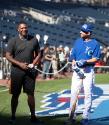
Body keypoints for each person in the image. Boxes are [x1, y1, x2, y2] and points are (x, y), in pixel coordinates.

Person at [6, 21, 42, 124]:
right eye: (21, 28)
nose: (24, 29)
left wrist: (34, 63)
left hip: (30, 71)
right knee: (15, 95)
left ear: (28, 28)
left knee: (30, 94)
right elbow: (8, 56)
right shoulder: (13, 41)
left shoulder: (34, 39)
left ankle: (33, 117)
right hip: (17, 71)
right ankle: (13, 117)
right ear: (18, 29)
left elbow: (39, 54)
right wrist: (20, 64)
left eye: (25, 27)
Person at [68, 24, 101, 125]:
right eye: (81, 30)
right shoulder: (77, 41)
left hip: (88, 70)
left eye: (83, 31)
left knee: (88, 95)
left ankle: (85, 117)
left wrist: (86, 61)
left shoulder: (95, 43)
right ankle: (71, 117)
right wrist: (73, 61)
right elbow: (72, 55)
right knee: (74, 93)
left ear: (89, 33)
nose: (80, 32)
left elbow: (96, 58)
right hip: (77, 71)